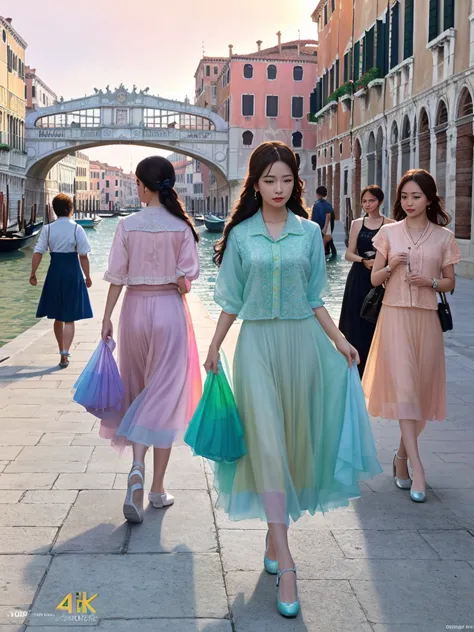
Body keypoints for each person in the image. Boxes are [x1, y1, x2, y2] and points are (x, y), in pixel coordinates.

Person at [204, 141, 381, 617]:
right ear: (255, 184)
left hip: (303, 346)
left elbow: (314, 297)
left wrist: (341, 341)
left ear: (295, 182)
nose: (278, 188)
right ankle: (287, 564)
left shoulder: (309, 234)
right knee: (266, 445)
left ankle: (274, 532)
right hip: (257, 348)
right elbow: (231, 299)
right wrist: (214, 344)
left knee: (292, 443)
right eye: (269, 180)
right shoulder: (240, 235)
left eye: (286, 180)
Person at [100, 156, 202, 524]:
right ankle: (157, 488)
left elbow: (116, 276)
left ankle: (138, 468)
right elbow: (186, 279)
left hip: (134, 311)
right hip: (169, 311)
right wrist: (177, 279)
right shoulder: (181, 227)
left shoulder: (127, 225)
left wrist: (107, 318)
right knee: (164, 396)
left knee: (139, 390)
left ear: (142, 186)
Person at [363, 169, 461, 503]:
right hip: (394, 317)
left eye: (416, 196)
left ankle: (401, 457)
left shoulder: (444, 237)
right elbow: (375, 279)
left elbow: (451, 283)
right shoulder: (389, 233)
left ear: (430, 199)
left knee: (420, 395)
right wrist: (391, 268)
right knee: (405, 389)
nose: (409, 202)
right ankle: (418, 467)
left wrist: (430, 283)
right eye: (404, 197)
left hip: (427, 320)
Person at [30, 193, 92, 369]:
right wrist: (87, 276)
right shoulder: (76, 228)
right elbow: (83, 256)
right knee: (69, 317)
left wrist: (33, 273)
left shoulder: (48, 229)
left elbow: (38, 252)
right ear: (70, 209)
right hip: (72, 273)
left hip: (55, 272)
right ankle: (65, 352)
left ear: (54, 211)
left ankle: (61, 350)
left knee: (58, 315)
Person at [339, 185, 395, 376]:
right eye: (364, 201)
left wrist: (380, 265)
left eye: (371, 200)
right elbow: (348, 253)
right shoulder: (357, 223)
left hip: (379, 279)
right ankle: (355, 364)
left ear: (380, 201)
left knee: (375, 319)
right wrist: (363, 260)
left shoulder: (390, 224)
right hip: (358, 276)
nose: (367, 204)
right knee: (354, 319)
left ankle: (376, 367)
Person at [311, 185, 337, 257]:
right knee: (329, 244)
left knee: (321, 247)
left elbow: (315, 219)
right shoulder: (328, 204)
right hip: (326, 228)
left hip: (320, 228)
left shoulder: (316, 205)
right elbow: (331, 216)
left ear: (317, 194)